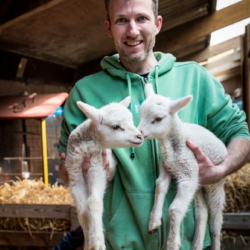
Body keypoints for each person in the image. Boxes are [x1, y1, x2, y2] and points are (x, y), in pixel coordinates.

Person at [54, 0, 250, 249]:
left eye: (142, 19)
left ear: (157, 24)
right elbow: (65, 166)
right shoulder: (85, 93)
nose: (133, 31)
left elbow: (241, 135)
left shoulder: (195, 78)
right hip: (121, 244)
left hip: (188, 243)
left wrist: (220, 170)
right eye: (121, 20)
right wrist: (81, 170)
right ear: (108, 27)